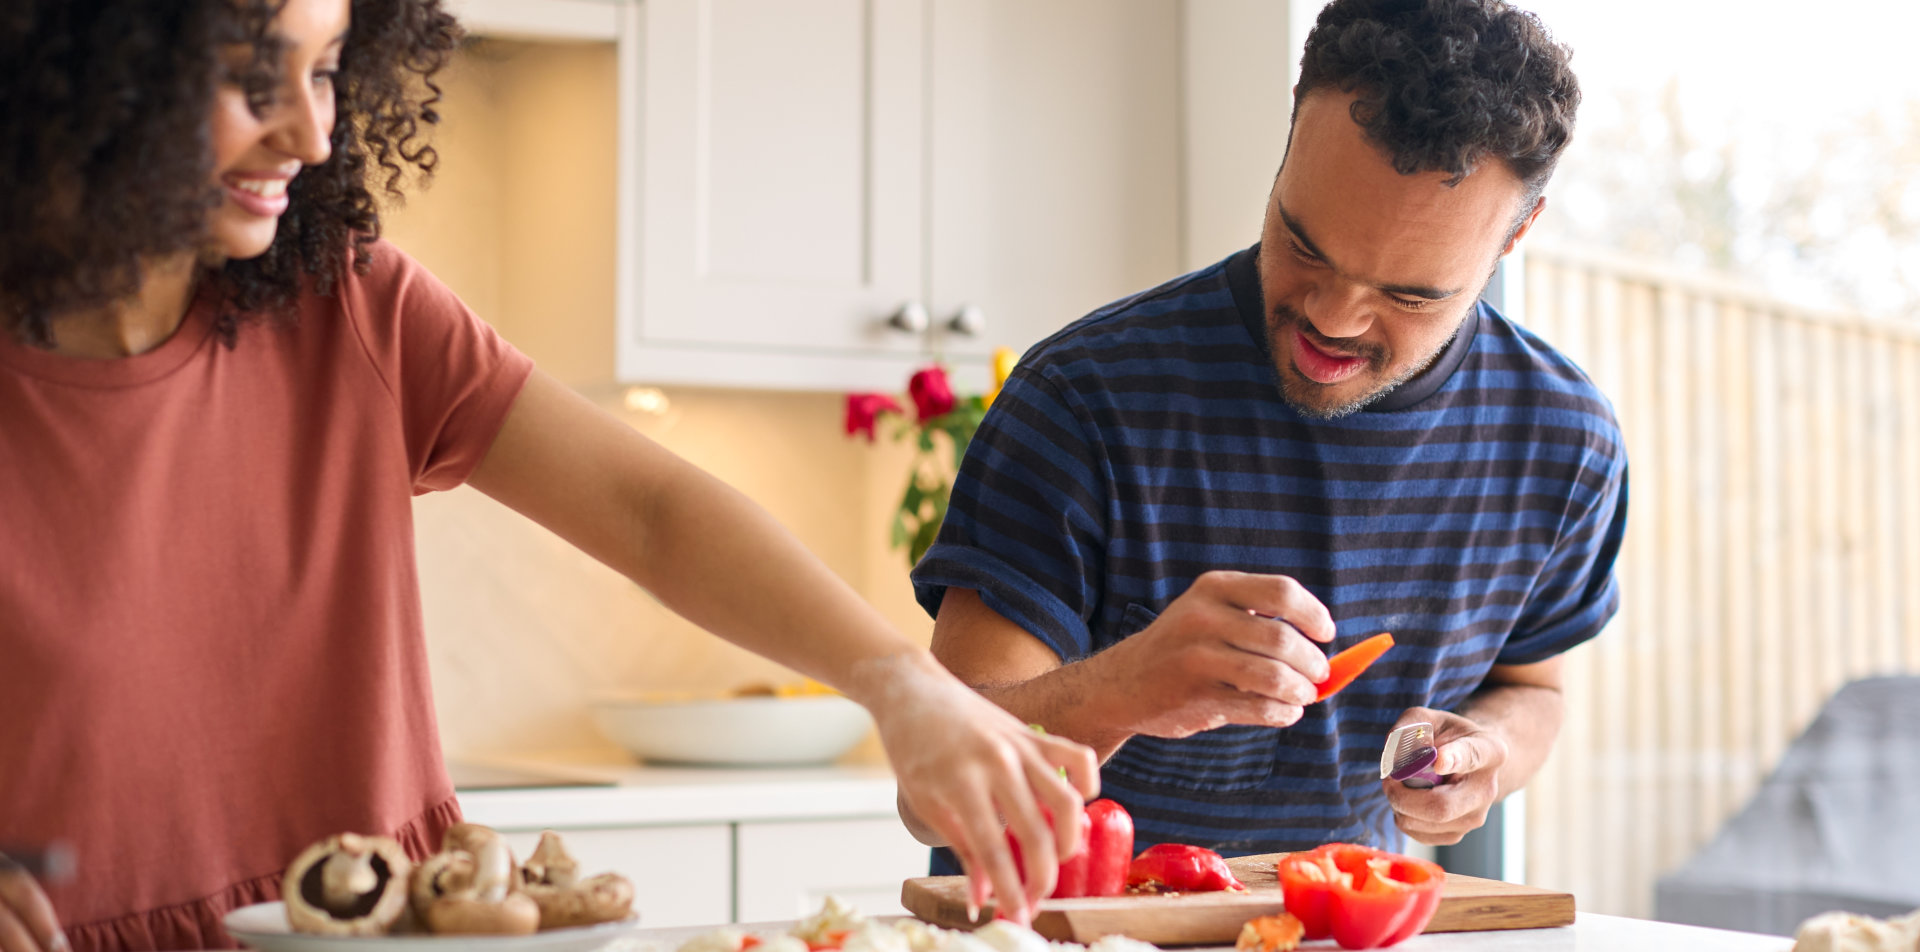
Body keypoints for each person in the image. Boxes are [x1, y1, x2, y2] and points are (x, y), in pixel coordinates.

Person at [0, 1, 1100, 949]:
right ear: (95, 57)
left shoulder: (353, 305)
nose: (312, 127)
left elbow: (653, 509)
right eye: (251, 74)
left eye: (329, 67)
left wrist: (898, 682)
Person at [901, 0, 1626, 871]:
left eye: (1409, 294)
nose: (1331, 318)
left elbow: (1533, 687)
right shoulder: (1084, 400)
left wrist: (1489, 752)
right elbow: (929, 799)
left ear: (1518, 235)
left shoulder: (1562, 440)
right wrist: (1129, 687)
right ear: (1290, 133)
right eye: (1303, 244)